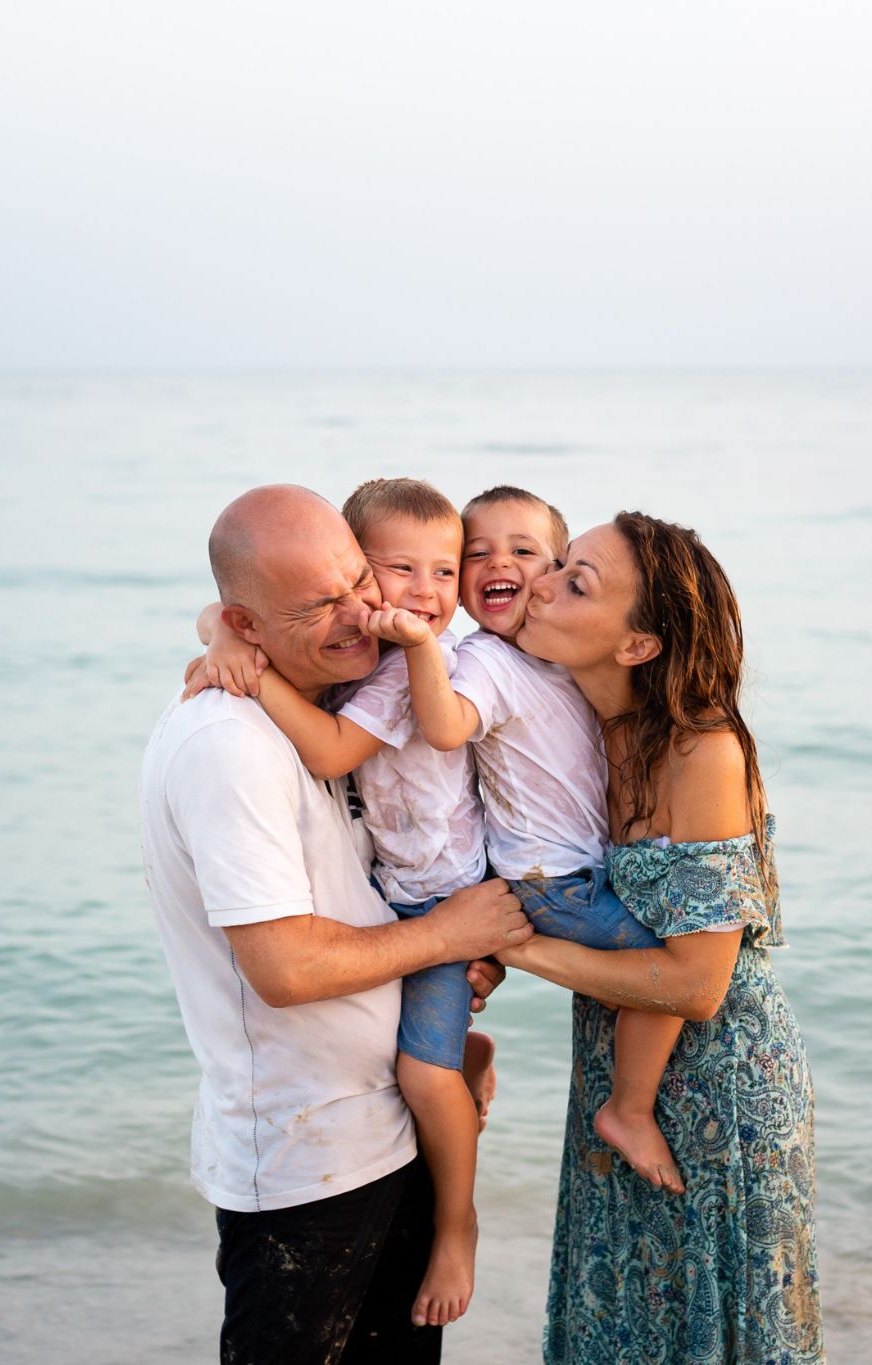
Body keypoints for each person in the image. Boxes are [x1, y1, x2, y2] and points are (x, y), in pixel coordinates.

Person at [138, 484, 532, 1365]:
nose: (359, 612)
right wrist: (447, 936)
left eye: (359, 578)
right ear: (249, 622)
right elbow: (283, 966)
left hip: (387, 1131)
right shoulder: (228, 745)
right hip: (301, 1166)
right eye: (319, 604)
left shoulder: (342, 693)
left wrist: (459, 954)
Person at [497, 511, 824, 1364]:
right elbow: (413, 630)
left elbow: (698, 984)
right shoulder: (563, 714)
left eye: (577, 582)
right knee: (616, 1320)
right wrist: (218, 633)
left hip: (722, 1093)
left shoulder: (703, 752)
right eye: (559, 564)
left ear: (637, 644)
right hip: (611, 1068)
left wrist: (514, 947)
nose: (541, 582)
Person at [369, 485, 691, 1195]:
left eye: (523, 551)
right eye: (474, 553)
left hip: (564, 871)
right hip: (550, 881)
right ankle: (629, 1110)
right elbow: (447, 724)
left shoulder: (559, 656)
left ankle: (471, 1061)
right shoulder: (484, 660)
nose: (496, 562)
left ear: (554, 575)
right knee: (663, 964)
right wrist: (422, 643)